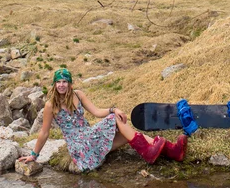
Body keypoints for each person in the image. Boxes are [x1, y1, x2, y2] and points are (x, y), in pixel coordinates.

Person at [18, 68, 187, 171]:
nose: (62, 85)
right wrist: (34, 155)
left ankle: (173, 151)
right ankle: (151, 151)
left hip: (90, 136)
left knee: (128, 134)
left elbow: (97, 112)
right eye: (58, 82)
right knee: (117, 122)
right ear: (54, 84)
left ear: (70, 83)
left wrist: (113, 109)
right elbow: (44, 132)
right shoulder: (50, 105)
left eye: (65, 81)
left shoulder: (78, 95)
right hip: (79, 146)